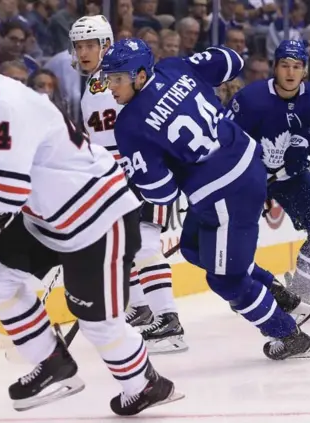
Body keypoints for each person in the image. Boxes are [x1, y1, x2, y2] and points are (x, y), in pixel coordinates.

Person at [0, 32, 183, 416]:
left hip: (96, 216)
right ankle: (54, 364)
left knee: (97, 322)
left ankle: (145, 384)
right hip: (47, 217)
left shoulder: (6, 107)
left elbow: (3, 197)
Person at [101, 38, 310, 360]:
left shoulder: (130, 124)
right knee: (194, 247)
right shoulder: (174, 67)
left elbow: (161, 193)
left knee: (226, 280)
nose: (111, 87)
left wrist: (139, 173)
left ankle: (290, 336)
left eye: (117, 78)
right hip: (247, 164)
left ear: (138, 75)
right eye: (109, 79)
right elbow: (231, 60)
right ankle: (283, 298)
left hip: (224, 195)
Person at [69, 15, 187, 355]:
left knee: (145, 245)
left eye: (91, 44)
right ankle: (140, 308)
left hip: (144, 171)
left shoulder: (115, 81)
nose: (84, 51)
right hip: (119, 175)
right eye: (79, 45)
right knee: (123, 247)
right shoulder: (97, 84)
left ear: (106, 45)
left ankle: (169, 321)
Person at [225, 40, 310, 316]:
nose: (290, 73)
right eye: (285, 66)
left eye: (297, 66)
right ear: (275, 68)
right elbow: (224, 143)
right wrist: (248, 173)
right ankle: (244, 294)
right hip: (249, 179)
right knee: (232, 241)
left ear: (304, 71)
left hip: (291, 177)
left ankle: (299, 294)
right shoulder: (250, 99)